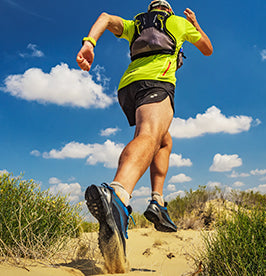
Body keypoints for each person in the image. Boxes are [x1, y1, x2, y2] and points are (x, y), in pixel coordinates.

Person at [77, 0, 212, 272]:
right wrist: (195, 25)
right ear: (168, 11)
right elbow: (208, 50)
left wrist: (90, 43)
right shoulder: (178, 23)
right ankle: (118, 196)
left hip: (128, 86)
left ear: (151, 11)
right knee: (151, 135)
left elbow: (104, 17)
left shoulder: (136, 24)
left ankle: (156, 202)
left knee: (163, 139)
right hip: (157, 83)